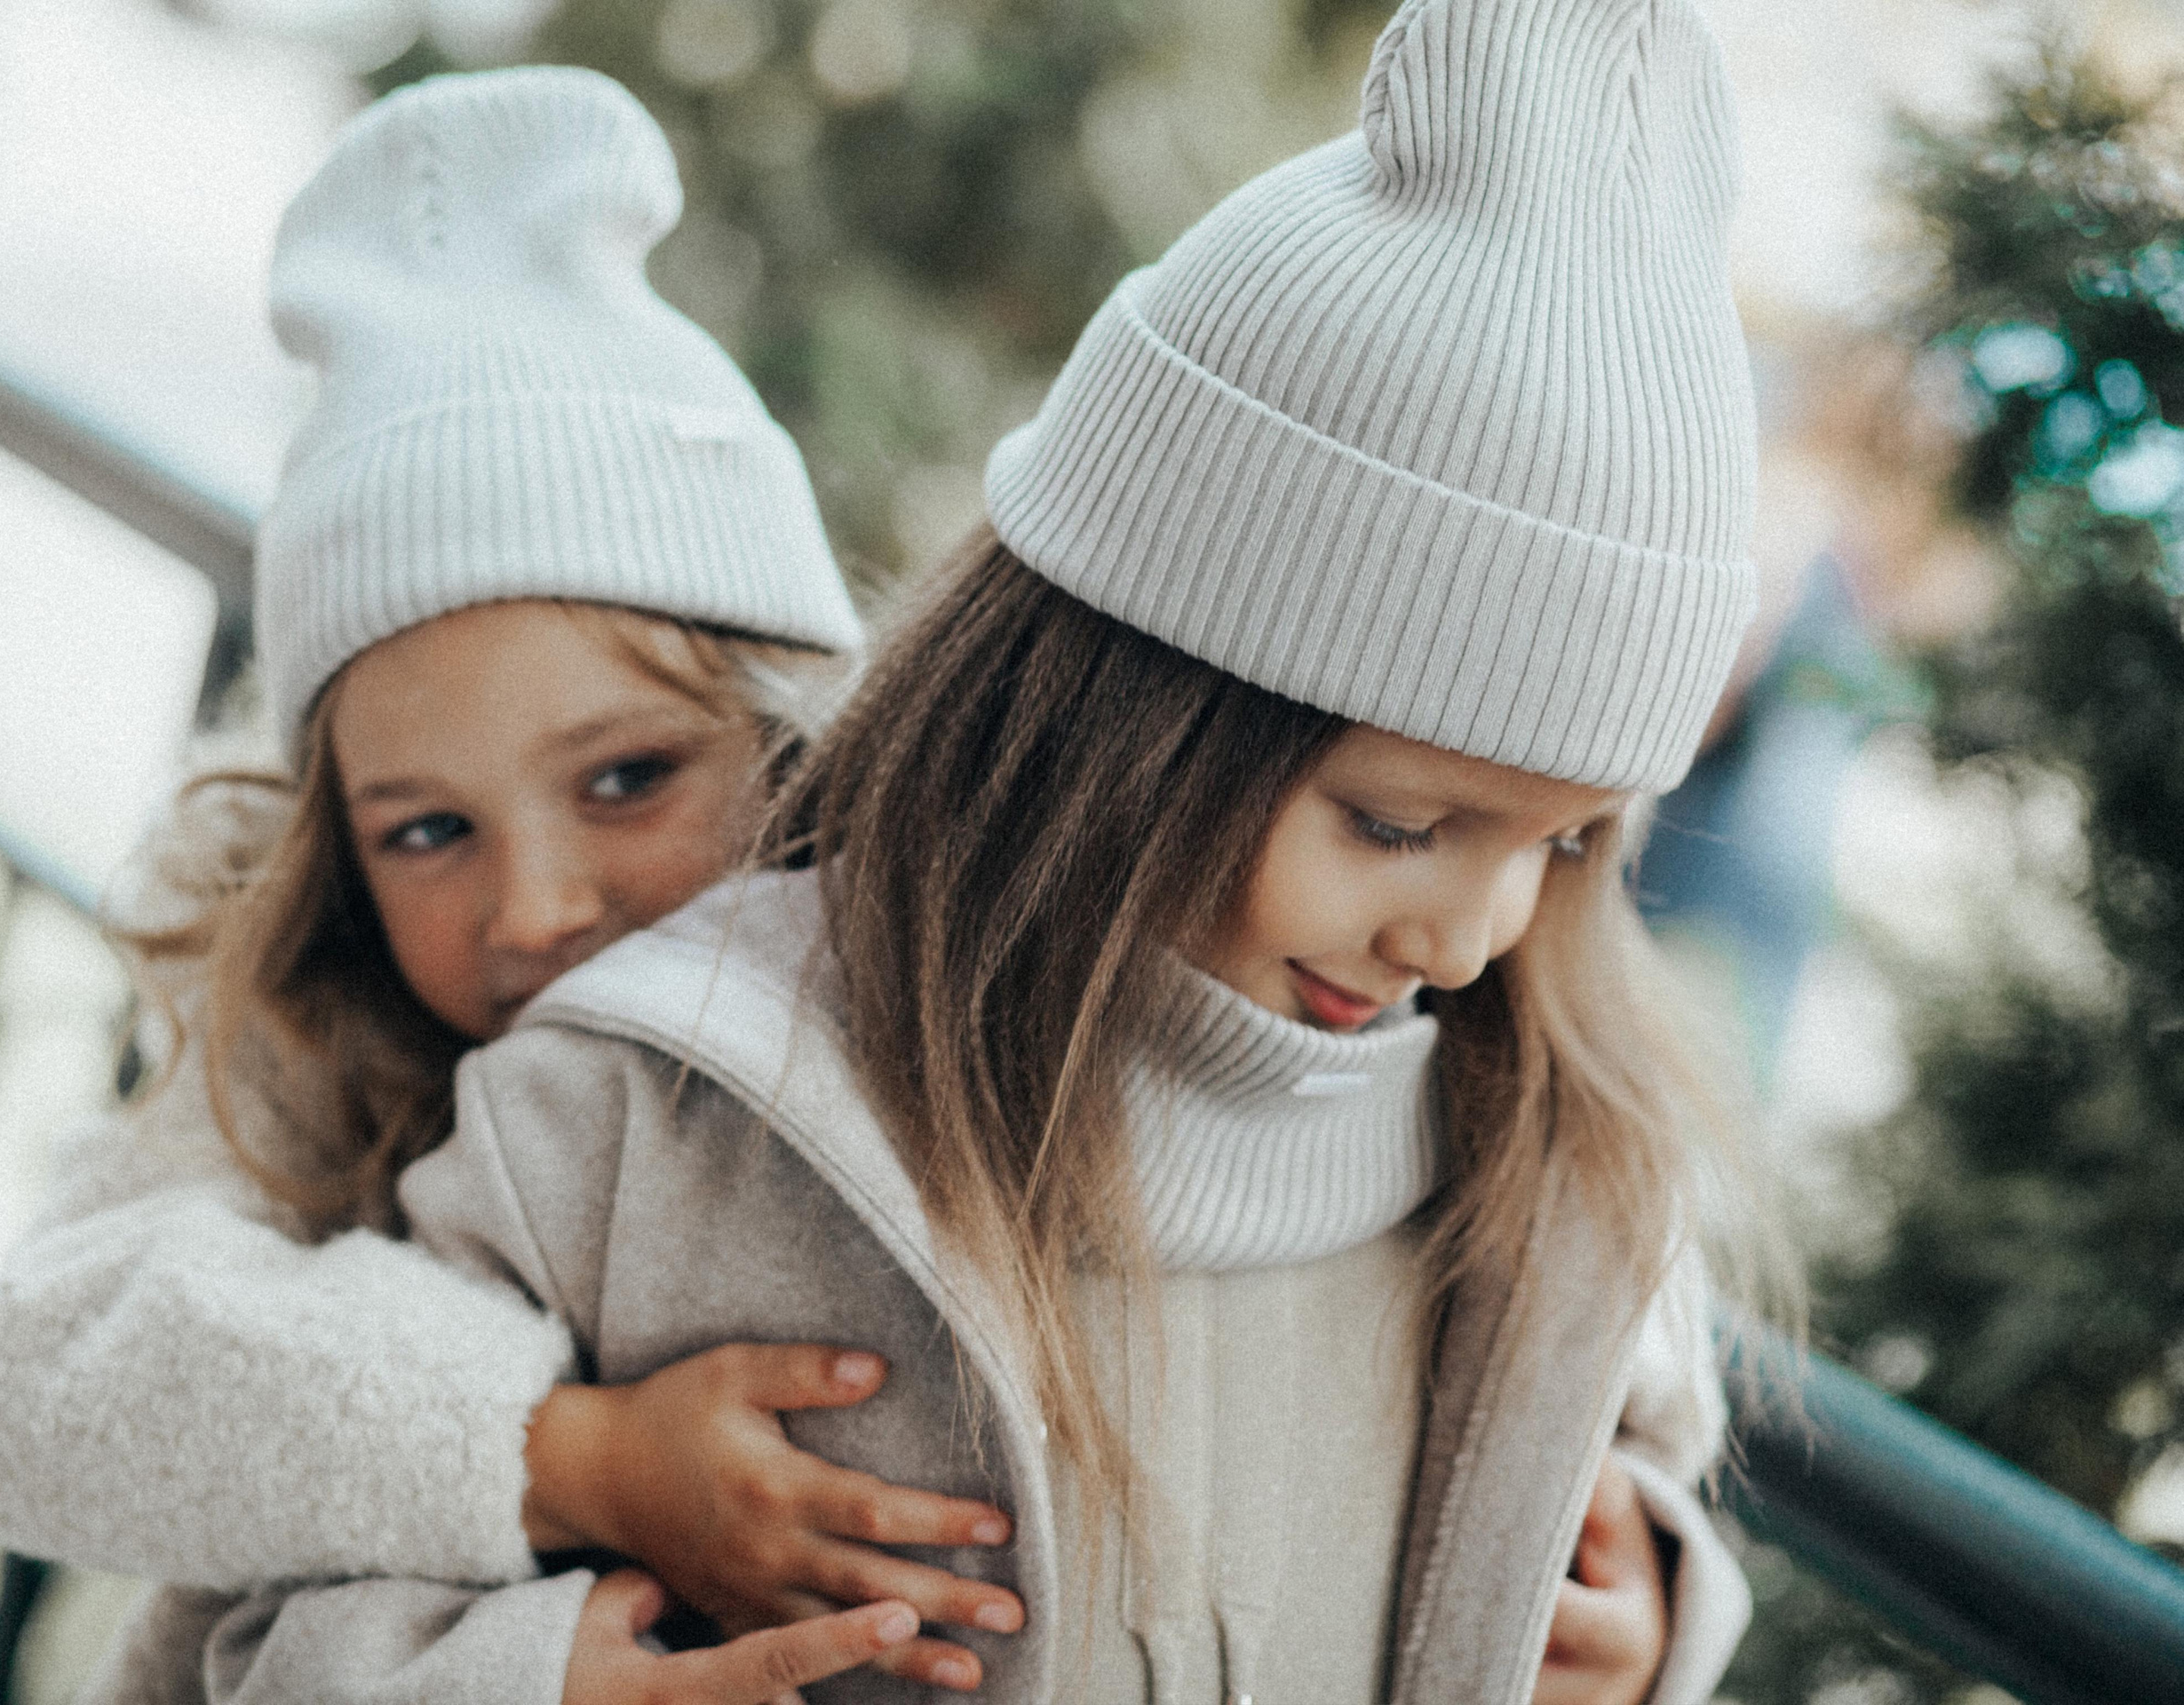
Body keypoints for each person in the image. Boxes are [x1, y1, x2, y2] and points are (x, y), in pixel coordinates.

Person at [195, 1, 1787, 1701]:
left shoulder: (1546, 1160)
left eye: (1566, 842)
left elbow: (1626, 1480)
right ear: (1127, 716)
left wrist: (1650, 1621)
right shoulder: (627, 1121)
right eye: (1395, 824)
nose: (1465, 936)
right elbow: (279, 1638)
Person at [0, 67, 1034, 1704]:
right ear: (334, 852)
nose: (534, 912)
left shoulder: (929, 1026)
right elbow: (38, 1395)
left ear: (786, 736)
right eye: (425, 832)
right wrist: (573, 1457)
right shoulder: (321, 1049)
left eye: (628, 779)